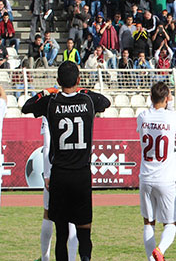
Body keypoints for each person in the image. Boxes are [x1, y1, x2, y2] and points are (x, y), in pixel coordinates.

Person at [21, 61, 111, 261]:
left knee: (61, 233)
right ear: (78, 80)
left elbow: (26, 107)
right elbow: (105, 102)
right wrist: (82, 89)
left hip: (59, 174)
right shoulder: (88, 101)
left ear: (58, 80)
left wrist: (45, 91)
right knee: (84, 230)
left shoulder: (51, 102)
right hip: (81, 174)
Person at [137, 82, 176, 261]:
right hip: (165, 178)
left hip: (146, 176)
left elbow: (149, 115)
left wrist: (161, 101)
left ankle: (152, 259)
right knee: (170, 223)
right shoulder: (172, 117)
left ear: (150, 97)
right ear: (166, 99)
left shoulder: (142, 116)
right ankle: (161, 250)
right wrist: (170, 103)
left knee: (148, 222)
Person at [39, 111, 79, 261]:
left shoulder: (49, 108)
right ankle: (72, 258)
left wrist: (47, 174)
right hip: (74, 169)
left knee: (48, 214)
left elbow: (47, 145)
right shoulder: (79, 106)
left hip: (55, 169)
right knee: (73, 217)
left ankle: (45, 258)